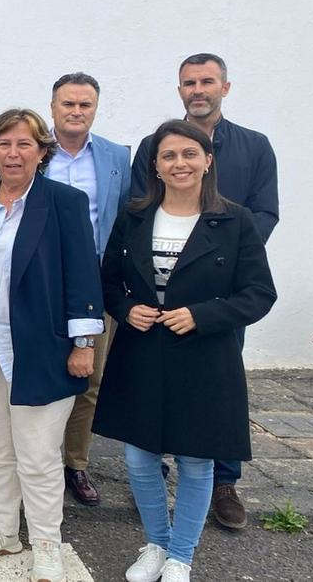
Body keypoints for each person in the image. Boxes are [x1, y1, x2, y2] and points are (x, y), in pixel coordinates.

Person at [94, 120, 276, 582]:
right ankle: (155, 543)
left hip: (203, 357)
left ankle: (181, 554)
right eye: (169, 155)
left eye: (189, 154)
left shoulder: (236, 220)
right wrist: (126, 307)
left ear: (207, 161)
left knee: (196, 459)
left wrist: (202, 316)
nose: (180, 163)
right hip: (141, 352)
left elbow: (259, 293)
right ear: (155, 165)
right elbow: (109, 279)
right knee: (138, 457)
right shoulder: (134, 215)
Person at [130, 53, 279, 530]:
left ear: (225, 87)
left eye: (207, 81)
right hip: (157, 301)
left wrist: (223, 264)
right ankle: (158, 475)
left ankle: (225, 482)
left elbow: (265, 212)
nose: (198, 89)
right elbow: (139, 210)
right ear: (179, 91)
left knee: (216, 395)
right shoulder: (152, 146)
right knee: (152, 397)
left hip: (218, 294)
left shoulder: (254, 147)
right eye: (189, 83)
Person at [0, 109, 103, 582]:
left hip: (40, 348)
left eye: (24, 144)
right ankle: (3, 530)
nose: (13, 153)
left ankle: (46, 543)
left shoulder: (63, 202)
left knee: (38, 455)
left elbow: (83, 273)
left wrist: (84, 342)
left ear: (42, 151)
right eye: (4, 144)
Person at [44, 72, 131, 507]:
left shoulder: (117, 157)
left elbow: (127, 216)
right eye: (68, 104)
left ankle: (75, 463)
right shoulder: (35, 152)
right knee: (39, 369)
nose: (76, 112)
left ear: (95, 109)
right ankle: (36, 458)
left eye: (85, 105)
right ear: (53, 107)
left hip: (96, 283)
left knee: (90, 377)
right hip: (42, 281)